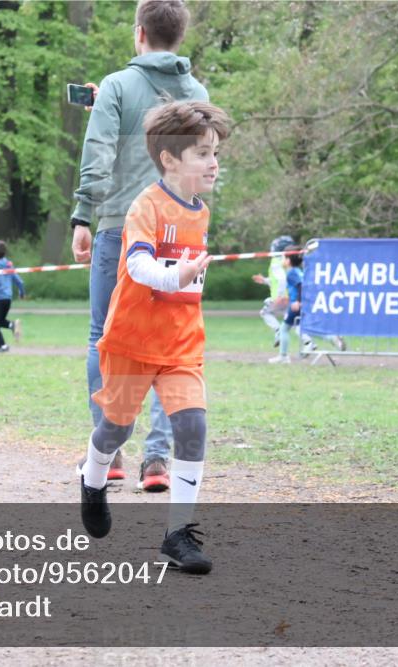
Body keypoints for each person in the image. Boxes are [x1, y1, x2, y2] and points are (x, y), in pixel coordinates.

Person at [79, 100, 231, 575]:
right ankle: (93, 478)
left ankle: (177, 534)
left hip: (181, 346)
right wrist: (178, 274)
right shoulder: (146, 205)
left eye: (216, 153)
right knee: (116, 428)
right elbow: (139, 266)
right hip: (131, 341)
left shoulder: (201, 213)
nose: (213, 163)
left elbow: (185, 280)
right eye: (203, 153)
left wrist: (187, 277)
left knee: (192, 426)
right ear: (170, 159)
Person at [71, 0, 207, 490]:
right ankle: (157, 460)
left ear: (139, 34)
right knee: (170, 345)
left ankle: (108, 453)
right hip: (178, 229)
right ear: (179, 38)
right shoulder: (196, 92)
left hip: (119, 224)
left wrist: (83, 212)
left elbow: (100, 149)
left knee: (101, 336)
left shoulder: (117, 85)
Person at [268, 248, 345, 364]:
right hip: (304, 303)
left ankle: (283, 356)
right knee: (304, 328)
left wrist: (297, 301)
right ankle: (332, 337)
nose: (282, 261)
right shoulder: (298, 271)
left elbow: (301, 286)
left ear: (288, 261)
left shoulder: (292, 273)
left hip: (296, 305)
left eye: (284, 258)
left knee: (284, 329)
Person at [251, 235, 293, 347]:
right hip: (292, 296)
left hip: (282, 297)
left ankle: (278, 331)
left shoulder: (276, 261)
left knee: (265, 313)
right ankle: (309, 342)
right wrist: (264, 280)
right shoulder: (290, 260)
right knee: (294, 321)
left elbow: (281, 279)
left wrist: (280, 295)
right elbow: (277, 280)